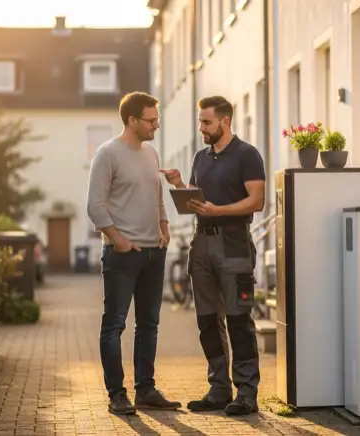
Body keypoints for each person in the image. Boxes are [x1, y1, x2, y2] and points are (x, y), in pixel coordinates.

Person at [160, 95, 266, 416]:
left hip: (234, 244)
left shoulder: (247, 155)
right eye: (200, 122)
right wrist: (180, 185)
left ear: (225, 121)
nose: (201, 128)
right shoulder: (200, 157)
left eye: (206, 122)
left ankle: (246, 393)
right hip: (201, 245)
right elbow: (197, 198)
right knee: (207, 320)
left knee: (237, 319)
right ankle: (219, 389)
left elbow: (257, 201)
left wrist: (219, 210)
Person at [86, 91, 181, 416]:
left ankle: (145, 390)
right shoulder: (107, 153)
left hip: (155, 252)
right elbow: (95, 206)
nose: (156, 125)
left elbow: (156, 195)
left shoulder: (151, 153)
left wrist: (165, 225)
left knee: (149, 324)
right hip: (122, 255)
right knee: (114, 325)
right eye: (151, 120)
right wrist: (118, 240)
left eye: (157, 120)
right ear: (131, 120)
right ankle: (117, 394)